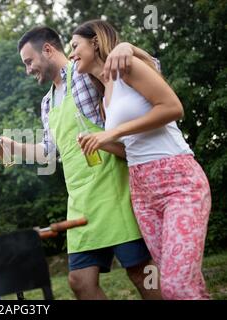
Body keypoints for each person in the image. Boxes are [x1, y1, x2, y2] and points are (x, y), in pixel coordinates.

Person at [0, 26, 163, 300]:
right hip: (80, 201)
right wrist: (12, 146)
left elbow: (149, 68)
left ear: (48, 50)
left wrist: (127, 48)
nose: (28, 70)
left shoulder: (83, 72)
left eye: (29, 61)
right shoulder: (47, 103)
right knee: (80, 281)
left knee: (141, 271)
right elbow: (50, 152)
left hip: (113, 188)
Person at [71, 20, 211, 300]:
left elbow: (173, 108)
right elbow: (130, 149)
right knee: (175, 283)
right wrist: (104, 143)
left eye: (75, 46)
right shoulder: (104, 99)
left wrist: (114, 131)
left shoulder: (127, 66)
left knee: (177, 286)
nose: (72, 53)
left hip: (177, 181)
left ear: (95, 42)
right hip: (143, 192)